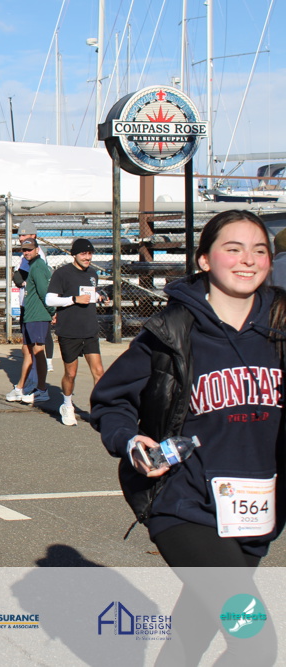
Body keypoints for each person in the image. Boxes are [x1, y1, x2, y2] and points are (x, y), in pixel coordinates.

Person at [90, 210, 284, 665]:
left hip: (255, 513)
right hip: (185, 506)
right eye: (233, 249)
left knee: (189, 637)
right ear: (204, 260)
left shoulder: (280, 328)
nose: (248, 260)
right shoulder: (171, 331)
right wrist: (130, 441)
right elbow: (111, 401)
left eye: (259, 251)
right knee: (255, 643)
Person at [46, 238, 106, 425]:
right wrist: (73, 299)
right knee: (71, 374)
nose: (87, 257)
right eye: (83, 254)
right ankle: (67, 405)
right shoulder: (62, 273)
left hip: (90, 330)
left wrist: (98, 296)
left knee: (99, 371)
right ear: (74, 255)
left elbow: (89, 294)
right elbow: (50, 300)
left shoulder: (93, 274)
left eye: (90, 254)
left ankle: (98, 411)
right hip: (69, 331)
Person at [5, 239, 53, 403]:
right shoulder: (31, 266)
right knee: (27, 351)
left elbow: (44, 292)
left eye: (30, 249)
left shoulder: (38, 267)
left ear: (37, 250)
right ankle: (20, 388)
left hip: (38, 315)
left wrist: (52, 312)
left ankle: (42, 389)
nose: (27, 252)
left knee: (38, 352)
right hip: (29, 315)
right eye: (24, 250)